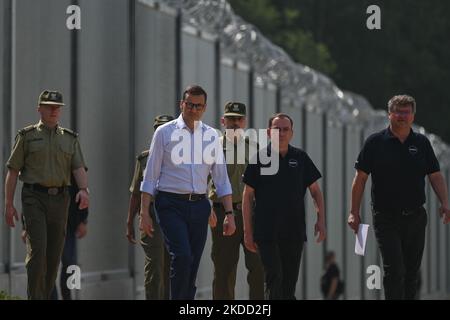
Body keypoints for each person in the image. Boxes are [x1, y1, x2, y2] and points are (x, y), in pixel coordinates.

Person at [348, 94, 450, 300]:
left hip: (415, 217)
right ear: (389, 115)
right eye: (398, 112)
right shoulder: (375, 143)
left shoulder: (421, 143)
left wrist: (445, 202)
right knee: (394, 270)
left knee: (411, 272)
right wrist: (354, 212)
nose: (402, 116)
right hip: (386, 217)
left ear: (413, 116)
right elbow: (360, 179)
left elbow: (435, 176)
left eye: (406, 112)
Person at [139, 85, 236, 300]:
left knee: (191, 264)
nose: (194, 109)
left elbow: (221, 179)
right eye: (190, 104)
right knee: (181, 256)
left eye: (198, 106)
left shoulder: (211, 136)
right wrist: (144, 212)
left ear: (205, 108)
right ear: (181, 104)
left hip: (199, 207)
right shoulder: (164, 132)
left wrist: (229, 215)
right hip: (170, 204)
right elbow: (151, 176)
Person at [4, 90, 89, 300]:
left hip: (64, 207)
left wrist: (85, 202)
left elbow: (79, 171)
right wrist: (9, 204)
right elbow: (13, 171)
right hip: (35, 199)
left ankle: (61, 297)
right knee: (38, 254)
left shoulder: (69, 139)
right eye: (48, 106)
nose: (53, 110)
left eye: (57, 107)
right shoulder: (27, 137)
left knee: (61, 260)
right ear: (39, 108)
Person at [242, 113, 326, 300]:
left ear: (292, 133)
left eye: (285, 129)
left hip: (294, 231)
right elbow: (247, 196)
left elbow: (315, 191)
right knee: (274, 278)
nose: (281, 133)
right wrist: (248, 231)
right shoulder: (260, 159)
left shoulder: (301, 158)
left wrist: (321, 220)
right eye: (276, 129)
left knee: (288, 285)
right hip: (266, 232)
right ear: (269, 132)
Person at [208, 102, 264, 300]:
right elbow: (201, 181)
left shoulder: (256, 149)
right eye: (231, 119)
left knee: (259, 269)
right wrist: (208, 208)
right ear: (223, 121)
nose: (235, 123)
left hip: (253, 214)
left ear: (245, 121)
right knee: (224, 271)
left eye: (239, 119)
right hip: (223, 213)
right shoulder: (212, 148)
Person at [126, 115, 174, 300]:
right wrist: (130, 221)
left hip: (174, 214)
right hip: (151, 215)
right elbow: (136, 193)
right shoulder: (144, 159)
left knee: (173, 267)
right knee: (154, 265)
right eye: (158, 129)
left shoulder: (183, 158)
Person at [21, 173, 89, 300]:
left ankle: (68, 296)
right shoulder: (39, 162)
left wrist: (83, 220)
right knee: (46, 264)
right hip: (43, 221)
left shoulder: (70, 158)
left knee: (70, 262)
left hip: (68, 222)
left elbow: (82, 188)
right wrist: (25, 226)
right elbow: (30, 192)